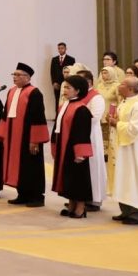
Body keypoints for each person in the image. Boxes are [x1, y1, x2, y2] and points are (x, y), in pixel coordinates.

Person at [0, 62, 49, 207]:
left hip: (28, 138)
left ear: (27, 77)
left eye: (18, 75)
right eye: (14, 74)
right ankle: (23, 194)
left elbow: (38, 117)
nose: (14, 77)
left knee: (31, 166)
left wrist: (35, 140)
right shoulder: (11, 91)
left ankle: (37, 197)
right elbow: (5, 114)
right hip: (13, 137)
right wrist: (2, 134)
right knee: (19, 167)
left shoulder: (34, 93)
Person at [109, 76, 138, 224]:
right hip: (124, 148)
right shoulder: (123, 103)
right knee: (124, 178)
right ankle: (126, 211)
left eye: (122, 84)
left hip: (136, 150)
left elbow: (136, 129)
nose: (119, 85)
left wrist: (117, 124)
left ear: (130, 89)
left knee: (135, 179)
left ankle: (137, 214)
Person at [51, 75, 94, 219]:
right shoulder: (65, 106)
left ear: (78, 91)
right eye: (64, 87)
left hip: (75, 150)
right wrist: (54, 144)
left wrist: (80, 153)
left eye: (68, 87)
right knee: (68, 177)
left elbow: (83, 133)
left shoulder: (81, 109)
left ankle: (80, 207)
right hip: (65, 147)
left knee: (78, 178)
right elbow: (56, 128)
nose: (64, 90)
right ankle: (71, 204)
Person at [71, 67, 107, 212]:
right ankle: (79, 197)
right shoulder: (78, 96)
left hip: (90, 136)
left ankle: (94, 200)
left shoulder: (96, 97)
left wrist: (74, 120)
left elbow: (95, 117)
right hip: (78, 136)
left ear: (89, 82)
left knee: (93, 167)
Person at [97, 65, 124, 193]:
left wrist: (115, 116)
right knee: (102, 144)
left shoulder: (117, 86)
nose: (104, 75)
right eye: (102, 73)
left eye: (106, 73)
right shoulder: (99, 86)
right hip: (100, 118)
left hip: (111, 118)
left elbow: (120, 102)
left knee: (111, 145)